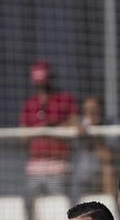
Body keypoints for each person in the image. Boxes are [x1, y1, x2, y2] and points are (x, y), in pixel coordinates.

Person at [18, 60, 78, 205]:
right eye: (39, 84)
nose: (42, 88)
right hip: (35, 164)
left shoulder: (64, 99)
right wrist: (37, 130)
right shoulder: (30, 104)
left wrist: (53, 126)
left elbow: (74, 123)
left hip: (58, 162)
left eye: (44, 83)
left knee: (60, 204)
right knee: (33, 205)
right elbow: (22, 135)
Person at [69, 95, 117, 199]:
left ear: (101, 110)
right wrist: (74, 123)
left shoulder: (109, 125)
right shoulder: (79, 123)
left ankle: (109, 208)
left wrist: (94, 133)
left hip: (100, 175)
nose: (90, 114)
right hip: (79, 175)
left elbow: (107, 157)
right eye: (87, 110)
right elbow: (66, 122)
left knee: (108, 170)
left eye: (94, 110)